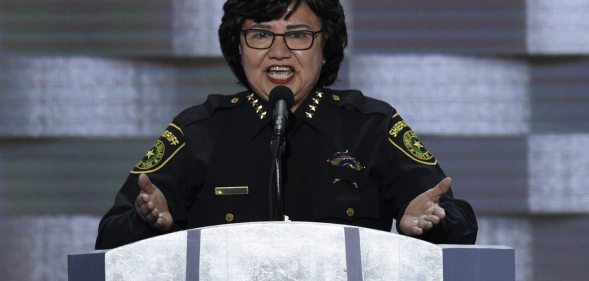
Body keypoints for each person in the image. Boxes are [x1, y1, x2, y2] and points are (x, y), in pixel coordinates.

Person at [95, 0, 477, 250]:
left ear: (325, 44)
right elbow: (109, 236)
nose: (279, 52)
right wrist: (149, 225)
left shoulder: (371, 126)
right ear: (238, 46)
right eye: (260, 35)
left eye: (298, 35)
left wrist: (430, 225)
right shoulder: (198, 131)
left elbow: (461, 224)